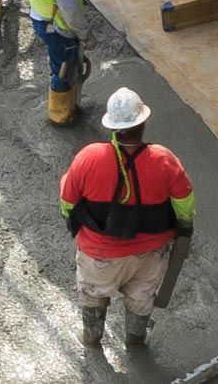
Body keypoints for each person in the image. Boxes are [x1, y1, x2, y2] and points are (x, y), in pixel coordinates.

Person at [59, 87, 195, 347]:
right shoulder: (164, 160)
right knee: (141, 296)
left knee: (93, 293)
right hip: (149, 253)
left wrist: (71, 220)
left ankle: (91, 337)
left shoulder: (89, 157)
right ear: (143, 124)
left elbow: (68, 201)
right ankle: (135, 339)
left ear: (112, 127)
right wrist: (185, 227)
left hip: (100, 255)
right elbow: (185, 205)